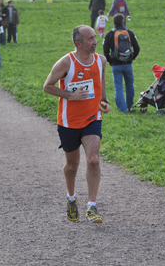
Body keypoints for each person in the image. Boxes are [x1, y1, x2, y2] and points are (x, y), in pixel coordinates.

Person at [42, 25, 110, 223]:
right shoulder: (66, 62)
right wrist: (70, 95)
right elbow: (47, 86)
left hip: (92, 118)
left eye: (95, 38)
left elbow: (101, 81)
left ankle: (91, 206)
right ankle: (71, 199)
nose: (95, 42)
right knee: (72, 165)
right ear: (78, 44)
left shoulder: (101, 61)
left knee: (94, 160)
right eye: (90, 39)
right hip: (69, 121)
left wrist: (104, 101)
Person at [103, 13, 140, 113]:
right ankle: (129, 107)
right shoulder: (129, 32)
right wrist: (132, 58)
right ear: (123, 22)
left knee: (118, 87)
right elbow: (137, 48)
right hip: (128, 64)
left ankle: (123, 109)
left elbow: (105, 50)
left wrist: (110, 61)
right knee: (130, 85)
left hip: (115, 64)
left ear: (113, 22)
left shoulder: (109, 34)